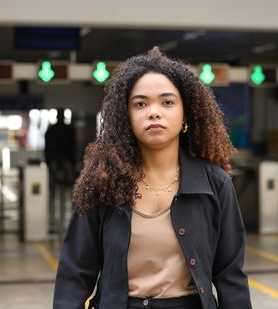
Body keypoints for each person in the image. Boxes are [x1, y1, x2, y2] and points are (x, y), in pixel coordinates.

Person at [53, 47, 252, 309]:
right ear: (127, 117)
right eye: (141, 103)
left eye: (167, 102)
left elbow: (230, 276)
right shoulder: (103, 181)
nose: (154, 112)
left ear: (185, 115)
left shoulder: (215, 184)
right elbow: (74, 274)